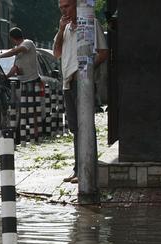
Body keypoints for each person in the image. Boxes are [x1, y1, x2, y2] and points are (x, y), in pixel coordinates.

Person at [53, 0, 108, 183]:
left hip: (82, 82)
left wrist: (86, 69)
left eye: (67, 6)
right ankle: (78, 169)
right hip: (68, 84)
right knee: (76, 128)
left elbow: (103, 52)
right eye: (61, 8)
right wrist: (61, 30)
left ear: (77, 6)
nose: (64, 11)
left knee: (86, 126)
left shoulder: (91, 23)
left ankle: (88, 169)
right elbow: (57, 53)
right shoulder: (66, 28)